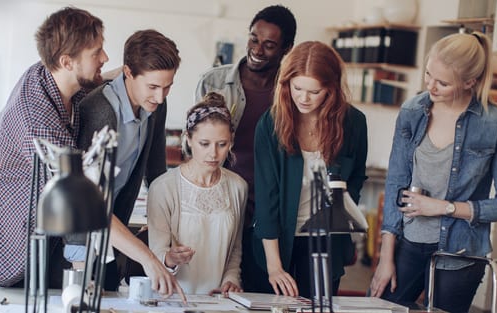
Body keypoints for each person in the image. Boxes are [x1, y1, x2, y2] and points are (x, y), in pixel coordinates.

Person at [369, 32, 497, 313]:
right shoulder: (412, 111)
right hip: (407, 245)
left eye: (442, 82)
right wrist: (385, 256)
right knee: (377, 309)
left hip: (461, 254)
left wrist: (445, 207)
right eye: (428, 75)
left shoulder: (495, 124)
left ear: (469, 82)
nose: (431, 87)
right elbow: (396, 183)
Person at [0, 7, 108, 288]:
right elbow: (76, 194)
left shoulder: (50, 74)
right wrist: (146, 257)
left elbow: (96, 78)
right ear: (66, 61)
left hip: (31, 223)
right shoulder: (36, 118)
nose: (104, 58)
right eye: (96, 53)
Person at [75, 29, 185, 297]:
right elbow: (85, 202)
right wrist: (148, 257)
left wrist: (165, 226)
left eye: (167, 86)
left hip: (116, 228)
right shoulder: (99, 111)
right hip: (79, 235)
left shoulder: (156, 105)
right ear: (127, 72)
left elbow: (156, 172)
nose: (160, 97)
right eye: (153, 87)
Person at [194, 4, 296, 293]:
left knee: (259, 287)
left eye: (269, 44)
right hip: (219, 202)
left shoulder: (290, 92)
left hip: (267, 208)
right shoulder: (212, 81)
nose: (257, 49)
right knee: (214, 286)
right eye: (254, 38)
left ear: (286, 48)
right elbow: (196, 148)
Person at [253, 41, 368, 297]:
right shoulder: (270, 124)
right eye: (297, 88)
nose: (303, 99)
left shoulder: (354, 123)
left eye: (314, 91)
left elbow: (357, 177)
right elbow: (266, 197)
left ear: (331, 88)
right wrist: (274, 267)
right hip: (276, 243)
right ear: (286, 84)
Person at [147, 92, 248, 295]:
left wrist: (231, 279)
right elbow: (155, 255)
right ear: (188, 139)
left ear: (231, 141)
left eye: (222, 144)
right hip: (174, 300)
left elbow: (235, 249)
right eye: (204, 144)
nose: (213, 153)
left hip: (220, 303)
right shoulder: (163, 188)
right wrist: (170, 258)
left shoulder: (238, 187)